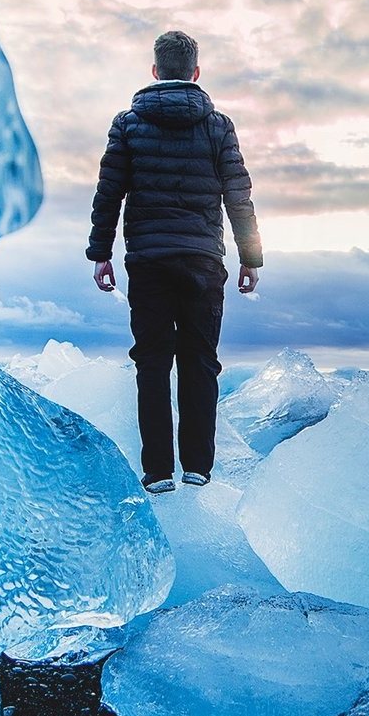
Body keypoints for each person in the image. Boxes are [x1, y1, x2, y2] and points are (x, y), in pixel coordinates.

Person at [87, 30, 263, 495]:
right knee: (200, 361)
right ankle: (198, 468)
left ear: (155, 71)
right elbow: (237, 195)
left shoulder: (128, 124)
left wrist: (100, 252)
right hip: (203, 260)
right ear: (196, 72)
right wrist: (251, 257)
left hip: (147, 260)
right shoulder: (218, 126)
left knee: (152, 363)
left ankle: (158, 471)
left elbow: (110, 194)